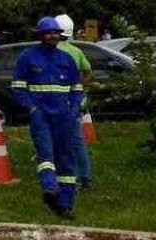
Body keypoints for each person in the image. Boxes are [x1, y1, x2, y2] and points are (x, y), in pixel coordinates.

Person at [12, 17, 85, 219]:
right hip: (41, 115)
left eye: (56, 32)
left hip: (64, 116)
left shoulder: (66, 59)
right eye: (49, 32)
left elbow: (77, 88)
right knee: (46, 154)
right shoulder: (28, 57)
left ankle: (65, 205)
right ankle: (50, 189)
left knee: (67, 160)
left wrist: (74, 109)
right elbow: (18, 87)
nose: (54, 36)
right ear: (41, 35)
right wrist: (32, 108)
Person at [55, 14, 93, 188]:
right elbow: (89, 73)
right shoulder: (76, 51)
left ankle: (71, 178)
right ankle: (84, 177)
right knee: (77, 140)